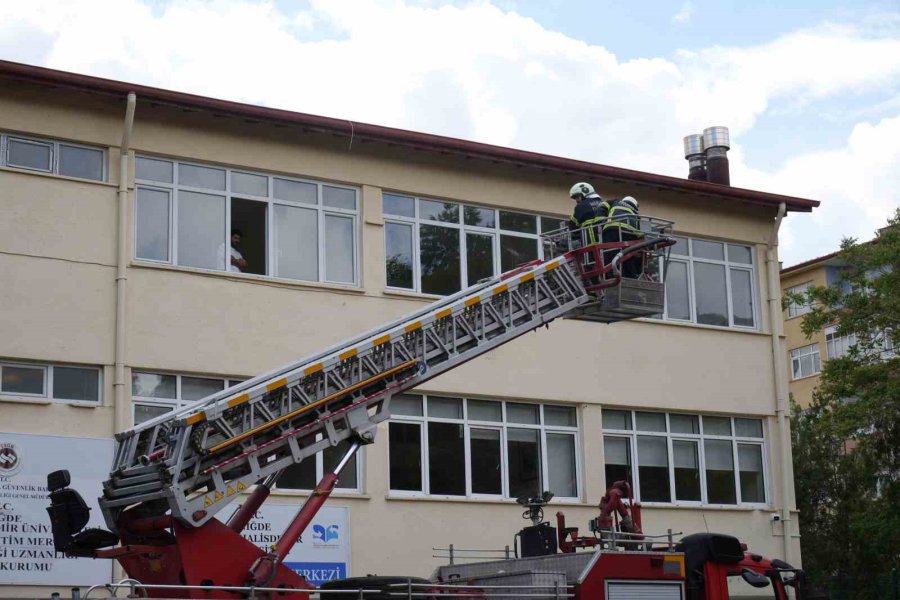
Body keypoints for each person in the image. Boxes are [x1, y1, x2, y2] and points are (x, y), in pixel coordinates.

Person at [602, 196, 642, 278]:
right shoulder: (635, 213)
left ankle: (611, 276)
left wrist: (600, 221)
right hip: (628, 233)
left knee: (610, 254)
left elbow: (602, 205)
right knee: (628, 256)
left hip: (611, 230)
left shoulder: (615, 202)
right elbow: (638, 231)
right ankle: (630, 276)